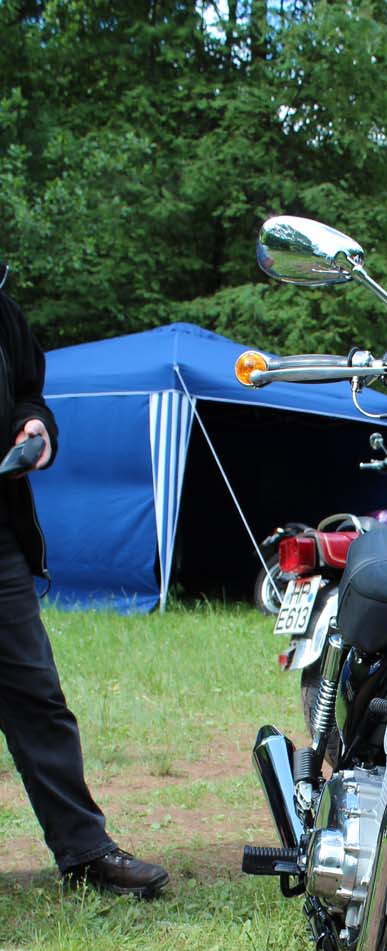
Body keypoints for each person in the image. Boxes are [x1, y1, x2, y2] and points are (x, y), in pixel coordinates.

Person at [0, 272, 169, 896]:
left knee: (36, 697)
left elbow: (28, 394)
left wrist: (34, 430)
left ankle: (85, 852)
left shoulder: (2, 311)